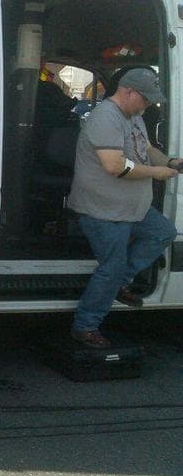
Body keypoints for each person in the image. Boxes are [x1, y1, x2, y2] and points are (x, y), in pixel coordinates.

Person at [67, 68, 180, 348]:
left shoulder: (134, 116)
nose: (149, 105)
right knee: (111, 267)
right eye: (146, 98)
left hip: (132, 207)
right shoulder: (106, 118)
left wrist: (169, 162)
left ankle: (121, 281)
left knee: (162, 233)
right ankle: (86, 326)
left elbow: (147, 149)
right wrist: (155, 173)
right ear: (128, 91)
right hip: (104, 210)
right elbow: (115, 166)